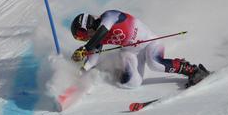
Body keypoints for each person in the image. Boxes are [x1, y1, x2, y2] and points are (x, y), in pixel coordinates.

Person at [70, 10, 210, 88]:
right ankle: (114, 70)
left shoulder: (109, 16)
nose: (84, 39)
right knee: (131, 83)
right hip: (132, 52)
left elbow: (103, 30)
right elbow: (92, 59)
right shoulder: (97, 39)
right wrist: (81, 71)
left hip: (151, 44)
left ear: (87, 27)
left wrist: (85, 48)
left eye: (82, 35)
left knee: (155, 64)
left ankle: (193, 70)